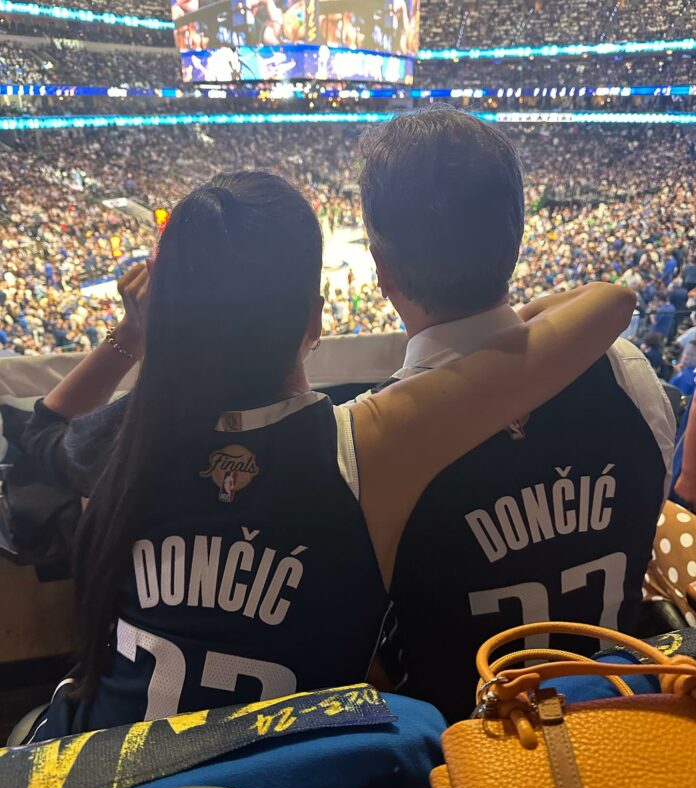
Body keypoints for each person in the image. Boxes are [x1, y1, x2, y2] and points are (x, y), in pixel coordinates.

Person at [19, 170, 634, 742]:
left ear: (167, 321)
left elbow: (45, 425)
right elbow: (610, 303)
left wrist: (131, 337)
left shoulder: (124, 439)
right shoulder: (366, 446)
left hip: (95, 782)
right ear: (314, 321)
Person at [356, 106, 674, 722]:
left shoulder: (367, 445)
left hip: (464, 760)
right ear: (516, 239)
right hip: (623, 721)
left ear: (381, 269)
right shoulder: (629, 374)